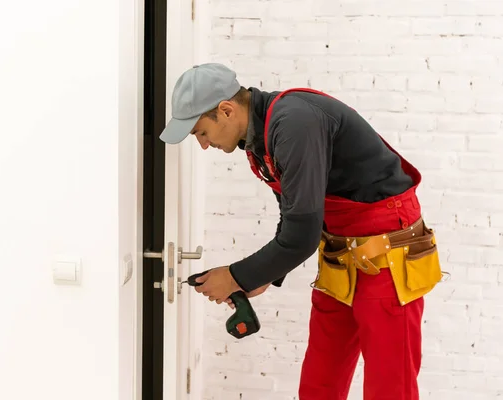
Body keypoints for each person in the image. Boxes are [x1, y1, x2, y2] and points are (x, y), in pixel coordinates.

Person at [159, 63, 445, 400]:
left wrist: (236, 276)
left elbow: (302, 234)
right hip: (340, 253)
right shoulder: (259, 138)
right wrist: (265, 275)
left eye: (201, 133)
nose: (204, 145)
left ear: (226, 110)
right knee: (319, 383)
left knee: (389, 384)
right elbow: (294, 214)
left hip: (387, 247)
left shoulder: (294, 123)